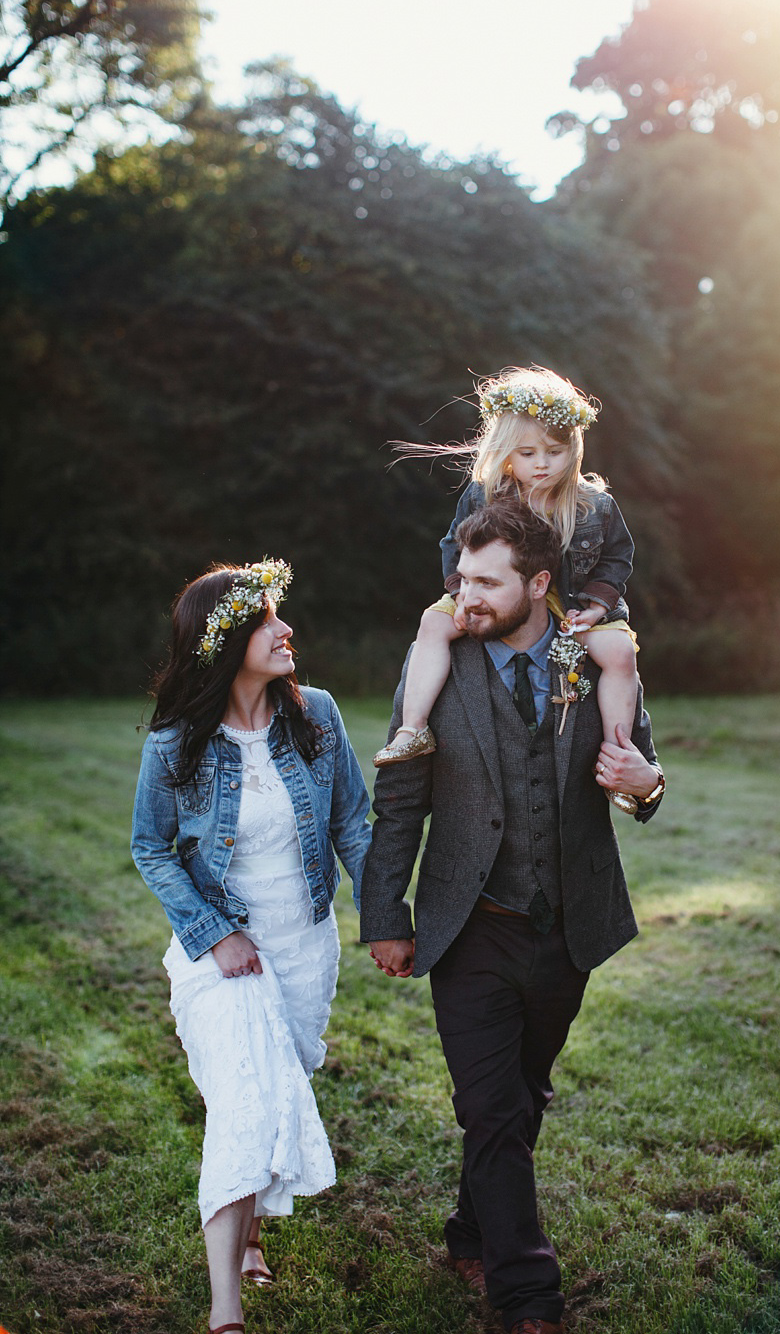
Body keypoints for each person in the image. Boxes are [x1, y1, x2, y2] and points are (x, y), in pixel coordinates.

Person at [360, 501, 665, 1334]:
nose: (466, 595)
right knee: (490, 1108)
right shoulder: (439, 666)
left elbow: (641, 776)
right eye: (461, 577)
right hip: (470, 924)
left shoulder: (593, 661)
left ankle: (470, 1224)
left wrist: (647, 787)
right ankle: (528, 1294)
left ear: (539, 583)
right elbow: (400, 797)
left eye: (487, 582)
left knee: (520, 1097)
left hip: (568, 927)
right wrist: (386, 911)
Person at [131, 558, 370, 1334]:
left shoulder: (318, 717)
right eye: (268, 620)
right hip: (222, 952)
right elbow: (151, 848)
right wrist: (214, 933)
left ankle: (254, 1234)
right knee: (241, 1103)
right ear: (225, 639)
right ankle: (224, 1309)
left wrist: (388, 918)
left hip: (303, 944)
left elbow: (351, 829)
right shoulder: (176, 744)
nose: (286, 628)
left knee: (279, 1086)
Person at [373, 365, 643, 813]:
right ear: (506, 453)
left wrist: (597, 606)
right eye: (528, 452)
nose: (542, 463)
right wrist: (463, 595)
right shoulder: (485, 496)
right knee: (432, 625)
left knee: (619, 654)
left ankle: (620, 759)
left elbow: (617, 557)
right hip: (500, 598)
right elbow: (452, 543)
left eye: (555, 452)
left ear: (573, 451)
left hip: (577, 605)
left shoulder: (595, 504)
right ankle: (413, 729)